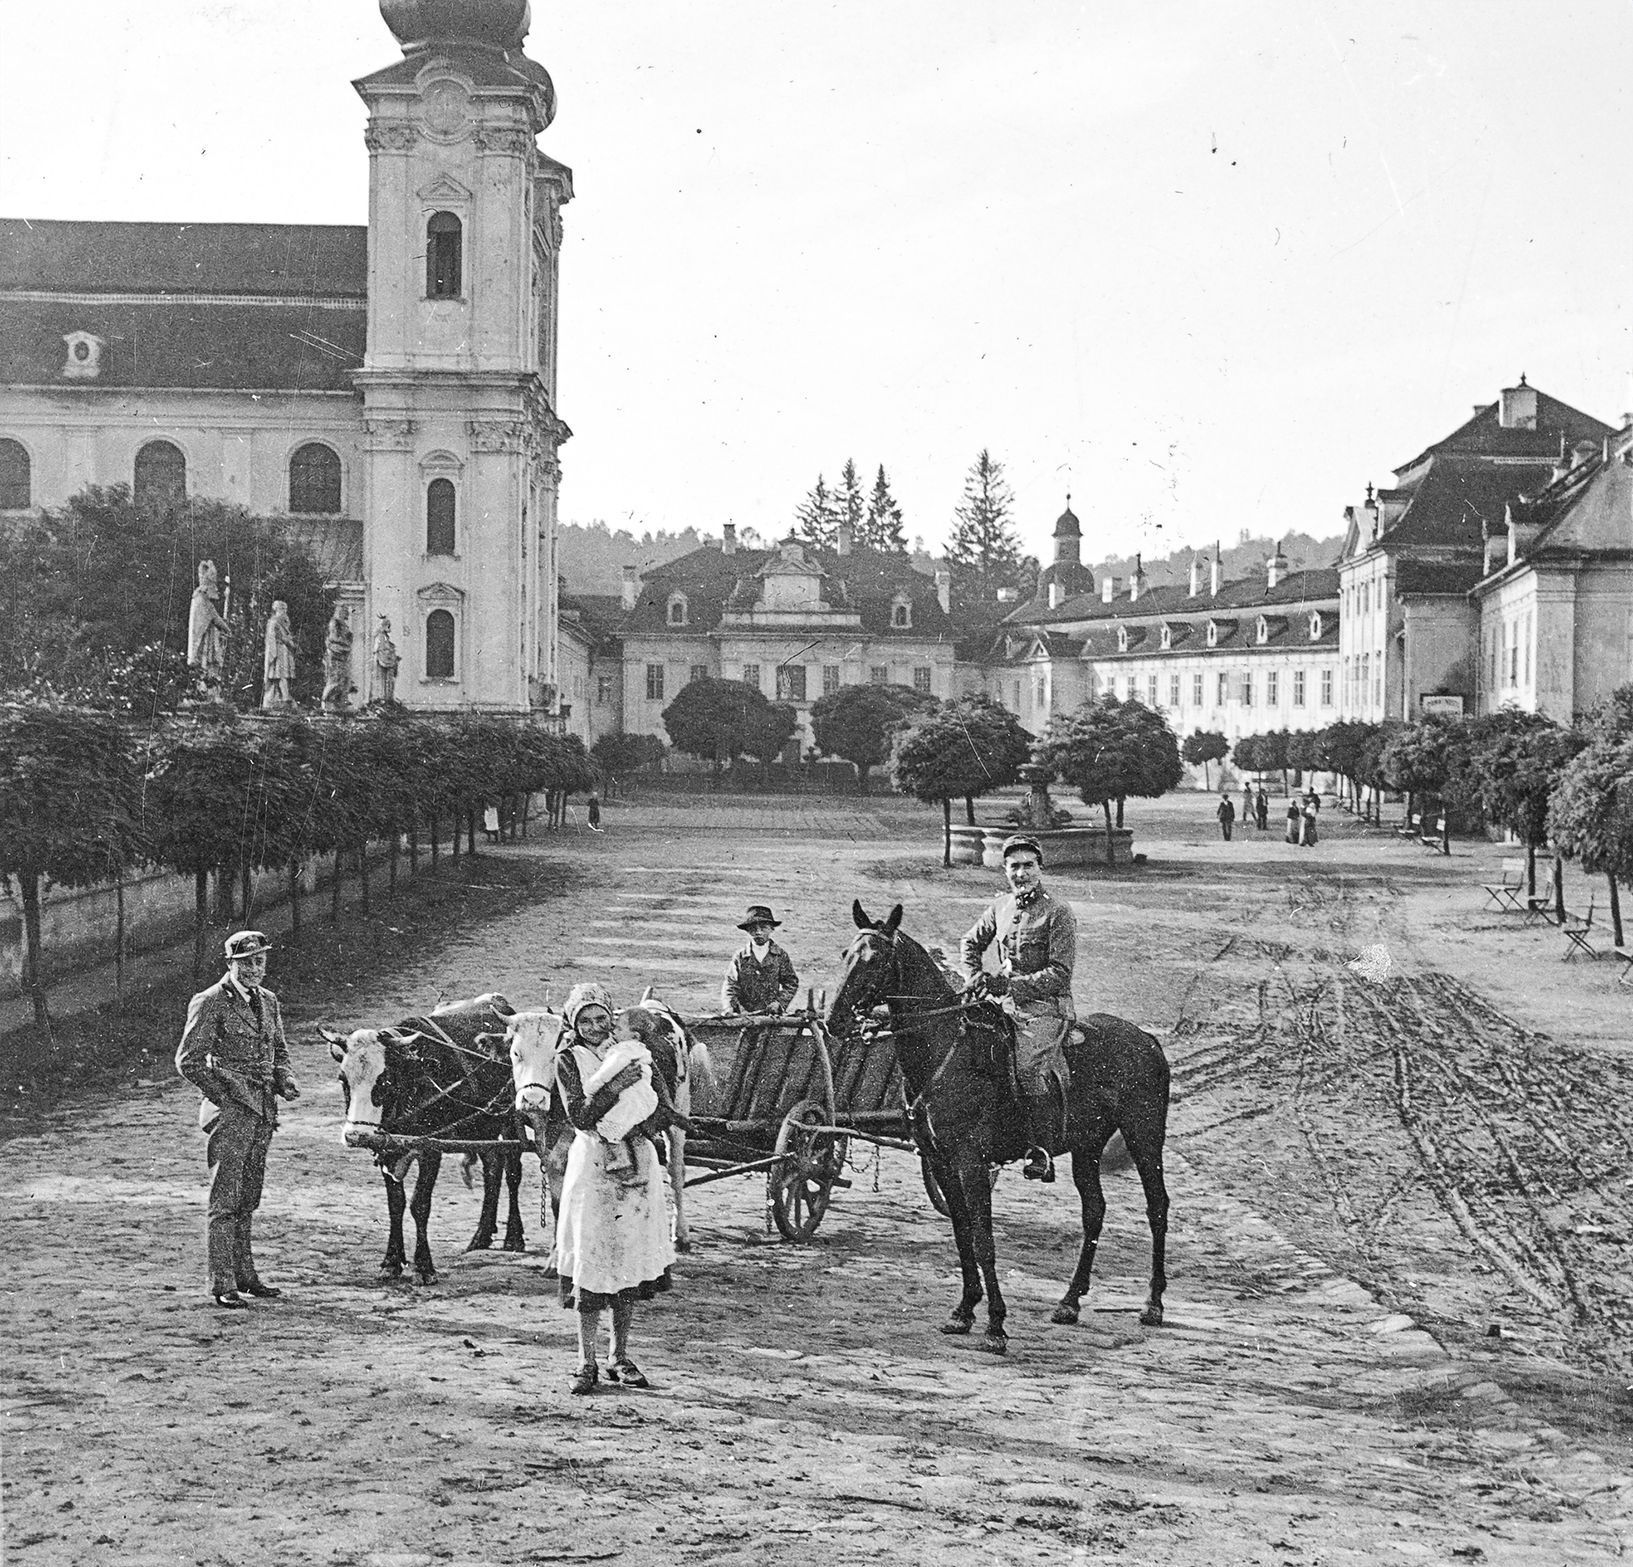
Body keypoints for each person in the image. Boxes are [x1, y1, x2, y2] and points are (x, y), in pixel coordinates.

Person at [553, 983, 676, 1395]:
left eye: (601, 1019)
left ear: (612, 1017)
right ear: (574, 1023)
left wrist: (637, 1127)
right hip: (592, 1166)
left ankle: (619, 1355)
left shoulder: (633, 1048)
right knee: (591, 1261)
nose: (594, 1027)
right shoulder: (568, 1059)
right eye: (585, 1020)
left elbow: (662, 1105)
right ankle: (585, 1360)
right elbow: (580, 1115)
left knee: (627, 1259)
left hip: (636, 1163)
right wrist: (617, 1086)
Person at [174, 930, 299, 1309]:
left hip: (263, 1111)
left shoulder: (269, 1001)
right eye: (246, 963)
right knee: (225, 1199)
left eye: (260, 961)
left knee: (249, 1197)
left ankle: (246, 1276)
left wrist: (285, 1079)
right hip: (231, 1115)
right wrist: (223, 1096)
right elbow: (188, 1060)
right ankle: (222, 1282)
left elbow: (279, 1051)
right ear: (231, 964)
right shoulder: (211, 1000)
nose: (255, 969)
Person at [959, 834, 1076, 1183]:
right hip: (1004, 1005)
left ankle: (1041, 1149)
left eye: (1028, 866)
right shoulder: (1001, 907)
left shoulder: (1057, 912)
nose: (1021, 874)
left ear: (1041, 868)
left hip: (1045, 1008)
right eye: (1014, 867)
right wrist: (975, 976)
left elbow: (1059, 973)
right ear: (1005, 870)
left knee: (1026, 1069)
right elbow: (969, 942)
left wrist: (1011, 985)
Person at [721, 905, 799, 1016]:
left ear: (771, 929)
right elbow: (730, 985)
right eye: (753, 929)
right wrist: (729, 1007)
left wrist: (779, 1003)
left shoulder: (780, 956)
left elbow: (791, 983)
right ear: (747, 931)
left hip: (771, 1016)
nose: (758, 932)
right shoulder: (740, 956)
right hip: (744, 1016)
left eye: (763, 928)